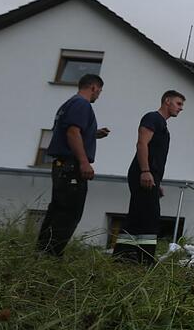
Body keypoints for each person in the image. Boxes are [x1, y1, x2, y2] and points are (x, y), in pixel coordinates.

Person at [36, 73, 110, 256]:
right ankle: (51, 255)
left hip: (62, 166)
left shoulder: (68, 104)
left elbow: (71, 132)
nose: (98, 95)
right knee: (69, 212)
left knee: (58, 209)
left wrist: (93, 133)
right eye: (99, 91)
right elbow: (72, 133)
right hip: (71, 167)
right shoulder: (81, 104)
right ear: (93, 87)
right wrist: (84, 162)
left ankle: (42, 252)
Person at [113, 90, 185, 263]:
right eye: (178, 104)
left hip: (149, 175)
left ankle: (124, 256)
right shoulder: (152, 118)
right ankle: (145, 258)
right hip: (142, 173)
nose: (181, 108)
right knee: (150, 216)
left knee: (137, 214)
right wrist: (145, 171)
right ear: (167, 101)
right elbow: (142, 143)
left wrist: (156, 180)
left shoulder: (162, 125)